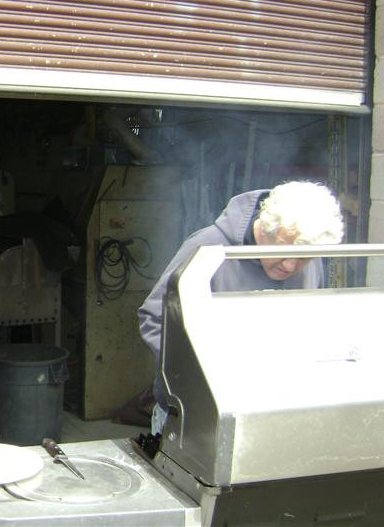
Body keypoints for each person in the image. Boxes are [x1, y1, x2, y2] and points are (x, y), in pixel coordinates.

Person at [138, 181, 344, 434]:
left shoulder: (308, 251)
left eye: (303, 257)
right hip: (195, 415)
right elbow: (154, 317)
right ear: (265, 228)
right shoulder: (208, 248)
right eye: (283, 249)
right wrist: (200, 375)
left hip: (275, 411)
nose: (290, 266)